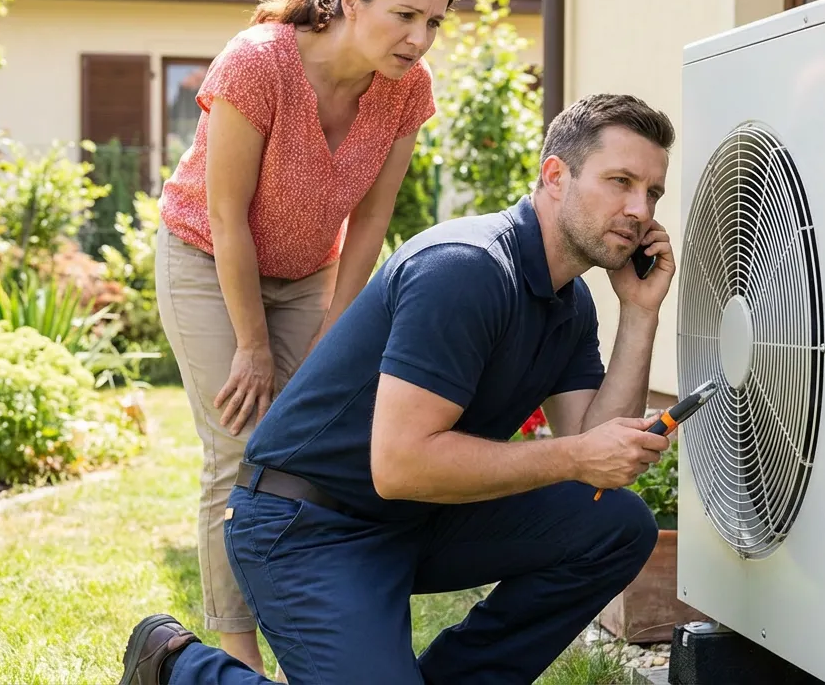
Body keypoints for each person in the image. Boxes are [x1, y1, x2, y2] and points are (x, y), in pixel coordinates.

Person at [120, 93, 680, 685]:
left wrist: (641, 313)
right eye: (620, 181)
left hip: (417, 517)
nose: (639, 209)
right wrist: (574, 457)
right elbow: (400, 465)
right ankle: (176, 668)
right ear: (555, 176)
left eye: (652, 193)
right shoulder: (467, 269)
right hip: (307, 524)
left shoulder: (570, 305)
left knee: (615, 524)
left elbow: (598, 460)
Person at [152, 0, 456, 676]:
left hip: (310, 272)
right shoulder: (260, 63)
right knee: (238, 447)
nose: (419, 39)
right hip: (205, 255)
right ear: (351, 1)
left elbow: (374, 219)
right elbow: (227, 217)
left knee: (303, 455)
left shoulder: (406, 89)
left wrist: (335, 330)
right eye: (404, 16)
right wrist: (253, 347)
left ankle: (307, 629)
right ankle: (237, 655)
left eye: (434, 23)